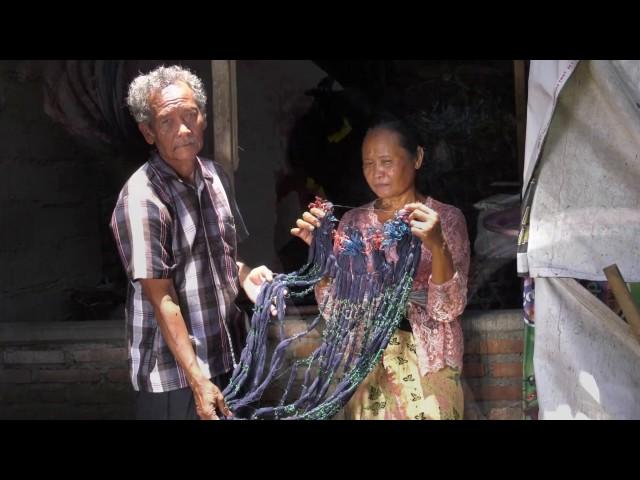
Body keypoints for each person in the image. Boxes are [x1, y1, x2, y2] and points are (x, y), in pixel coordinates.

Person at [110, 65, 272, 420]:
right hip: (174, 375)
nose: (183, 129)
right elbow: (161, 297)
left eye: (191, 115)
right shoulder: (143, 198)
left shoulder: (215, 177)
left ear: (204, 118)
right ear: (148, 132)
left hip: (226, 355)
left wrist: (247, 277)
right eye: (167, 121)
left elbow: (226, 258)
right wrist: (198, 380)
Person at [291, 114, 470, 419]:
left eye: (386, 161)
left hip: (429, 360)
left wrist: (436, 244)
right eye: (368, 164)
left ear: (417, 158)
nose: (377, 173)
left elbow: (447, 308)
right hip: (367, 360)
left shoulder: (445, 219)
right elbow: (337, 309)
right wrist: (321, 257)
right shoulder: (353, 223)